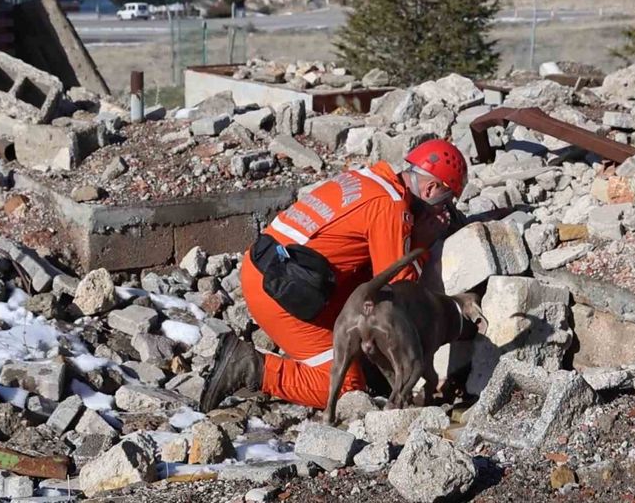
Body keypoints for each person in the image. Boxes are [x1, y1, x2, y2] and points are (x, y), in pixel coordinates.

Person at [200, 139, 468, 411]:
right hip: (280, 292)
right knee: (347, 386)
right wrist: (421, 244)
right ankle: (252, 367)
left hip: (267, 265)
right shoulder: (391, 207)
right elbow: (399, 294)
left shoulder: (370, 178)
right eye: (445, 202)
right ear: (431, 188)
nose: (443, 211)